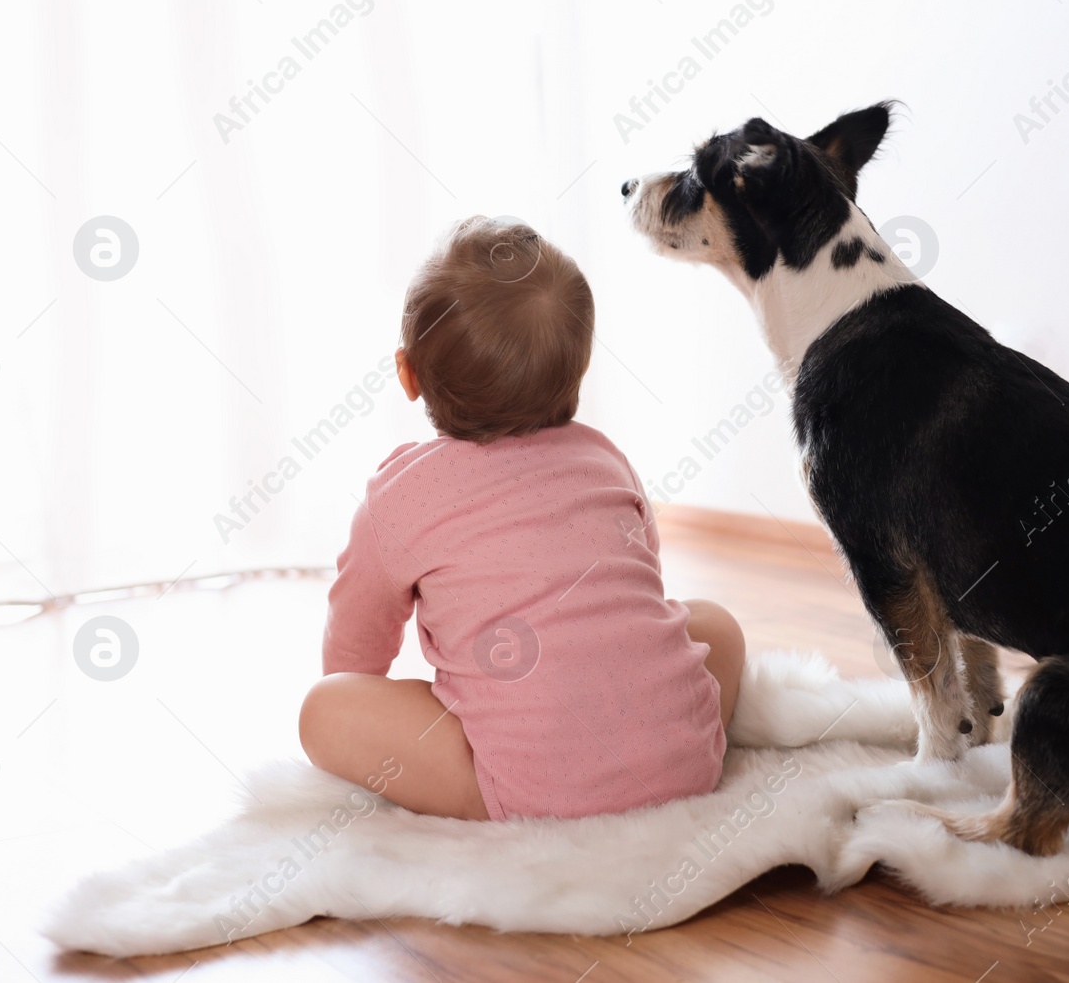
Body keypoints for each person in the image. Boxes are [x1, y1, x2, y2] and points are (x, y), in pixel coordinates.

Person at [298, 216, 744, 821]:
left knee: (325, 708)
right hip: (688, 765)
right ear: (579, 370)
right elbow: (641, 588)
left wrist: (363, 695)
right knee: (716, 625)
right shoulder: (604, 460)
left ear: (407, 375)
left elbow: (356, 640)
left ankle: (534, 790)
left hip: (532, 788)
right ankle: (666, 751)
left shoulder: (400, 496)